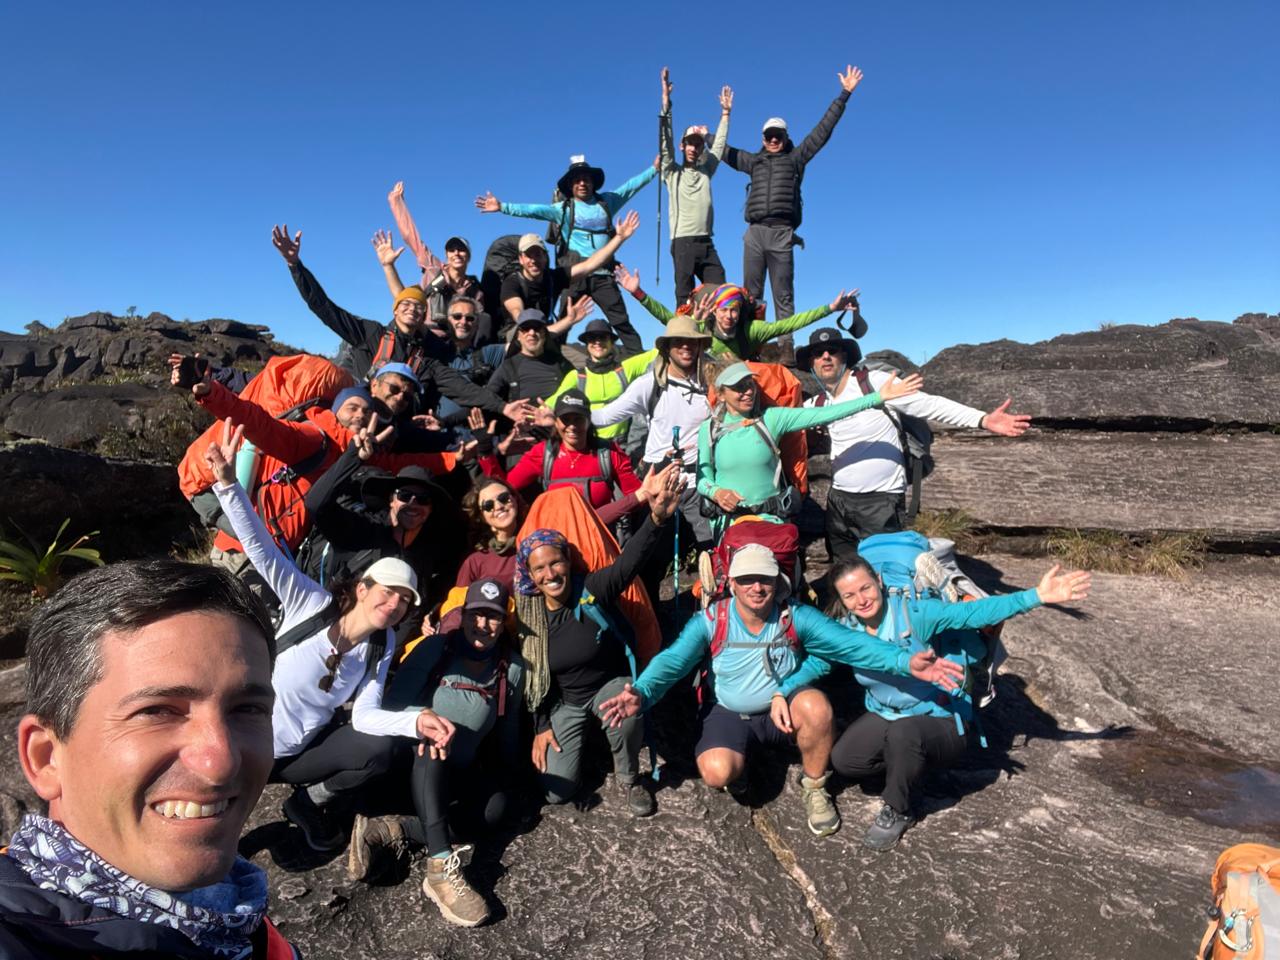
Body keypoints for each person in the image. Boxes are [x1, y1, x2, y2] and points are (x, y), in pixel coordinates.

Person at [6, 559, 301, 958]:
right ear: (46, 757)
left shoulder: (237, 916)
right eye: (157, 711)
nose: (220, 762)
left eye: (247, 709)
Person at [206, 418, 456, 853]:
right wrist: (229, 486)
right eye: (388, 593)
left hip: (292, 758)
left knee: (377, 752)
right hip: (242, 743)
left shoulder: (384, 643)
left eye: (404, 601)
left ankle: (306, 803)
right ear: (362, 589)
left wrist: (415, 720)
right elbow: (263, 550)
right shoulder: (311, 603)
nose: (394, 605)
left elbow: (365, 716)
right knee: (214, 829)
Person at [598, 544, 965, 837]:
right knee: (715, 773)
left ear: (778, 582)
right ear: (732, 584)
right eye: (747, 580)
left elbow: (853, 644)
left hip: (784, 711)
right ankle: (740, 769)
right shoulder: (713, 621)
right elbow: (673, 661)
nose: (757, 587)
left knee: (817, 707)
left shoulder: (797, 617)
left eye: (765, 580)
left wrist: (904, 661)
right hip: (731, 712)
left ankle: (815, 786)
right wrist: (643, 691)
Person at [804, 557, 1091, 849]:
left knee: (905, 735)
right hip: (887, 714)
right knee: (846, 761)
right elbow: (818, 663)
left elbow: (974, 613)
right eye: (849, 595)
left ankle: (900, 809)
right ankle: (909, 769)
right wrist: (780, 691)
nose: (861, 600)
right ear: (841, 599)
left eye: (865, 588)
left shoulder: (915, 613)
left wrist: (1036, 596)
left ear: (878, 580)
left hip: (939, 717)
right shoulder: (847, 630)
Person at [349, 578, 525, 927]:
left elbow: (508, 731)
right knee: (431, 747)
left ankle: (395, 830)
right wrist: (423, 724)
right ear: (462, 616)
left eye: (493, 617)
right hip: (410, 765)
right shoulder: (435, 650)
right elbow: (392, 709)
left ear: (503, 622)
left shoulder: (511, 668)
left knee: (496, 811)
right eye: (476, 615)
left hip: (457, 773)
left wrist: (516, 778)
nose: (483, 625)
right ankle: (440, 869)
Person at [518, 463, 684, 817]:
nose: (550, 573)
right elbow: (533, 679)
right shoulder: (527, 618)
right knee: (555, 795)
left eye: (556, 563)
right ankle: (586, 750)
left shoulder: (591, 590)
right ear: (530, 577)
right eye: (540, 569)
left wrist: (655, 520)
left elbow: (628, 565)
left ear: (568, 561)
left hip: (609, 686)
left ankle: (630, 778)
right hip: (567, 702)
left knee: (623, 709)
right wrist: (541, 727)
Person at [798, 327, 1031, 560]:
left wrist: (982, 419)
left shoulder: (874, 382)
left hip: (881, 500)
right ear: (812, 363)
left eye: (832, 350)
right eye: (818, 353)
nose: (825, 357)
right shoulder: (819, 403)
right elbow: (784, 421)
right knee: (844, 571)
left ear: (844, 355)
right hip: (838, 501)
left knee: (886, 570)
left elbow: (930, 405)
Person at [270, 224, 530, 426]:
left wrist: (503, 407)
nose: (412, 309)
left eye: (419, 307)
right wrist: (295, 265)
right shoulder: (371, 334)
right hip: (354, 420)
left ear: (424, 316)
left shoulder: (427, 356)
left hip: (398, 426)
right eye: (405, 305)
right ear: (395, 311)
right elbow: (324, 308)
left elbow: (461, 387)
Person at [697, 361, 922, 535]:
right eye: (738, 387)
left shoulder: (772, 419)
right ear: (720, 394)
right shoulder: (709, 429)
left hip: (772, 523)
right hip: (728, 526)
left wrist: (876, 398)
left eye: (749, 384)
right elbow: (702, 478)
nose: (747, 392)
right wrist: (716, 492)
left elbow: (826, 413)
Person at [589, 313, 718, 598]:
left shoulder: (710, 384)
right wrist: (559, 416)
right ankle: (651, 626)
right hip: (657, 486)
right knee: (648, 563)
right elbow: (604, 417)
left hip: (700, 485)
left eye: (692, 342)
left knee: (711, 562)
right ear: (667, 347)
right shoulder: (650, 385)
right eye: (679, 342)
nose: (686, 347)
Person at [722, 65, 864, 323]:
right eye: (769, 136)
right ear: (763, 138)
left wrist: (844, 94)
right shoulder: (753, 162)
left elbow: (822, 131)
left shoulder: (796, 158)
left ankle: (786, 351)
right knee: (750, 296)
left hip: (782, 234)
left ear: (786, 137)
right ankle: (752, 349)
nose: (773, 140)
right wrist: (705, 135)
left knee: (783, 295)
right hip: (754, 233)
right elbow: (725, 151)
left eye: (778, 136)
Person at [476, 156, 658, 356]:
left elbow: (630, 187)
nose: (582, 183)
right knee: (563, 323)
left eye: (586, 179)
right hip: (572, 277)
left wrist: (654, 169)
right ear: (571, 185)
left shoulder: (607, 202)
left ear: (593, 182)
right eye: (577, 180)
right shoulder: (562, 210)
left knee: (621, 322)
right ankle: (550, 364)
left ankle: (641, 364)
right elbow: (534, 210)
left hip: (603, 275)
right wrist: (502, 207)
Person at [301, 417, 463, 618]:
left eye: (422, 499)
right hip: (322, 623)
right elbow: (316, 504)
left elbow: (411, 615)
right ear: (391, 500)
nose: (412, 503)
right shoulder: (362, 531)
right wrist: (353, 456)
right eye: (404, 496)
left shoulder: (425, 558)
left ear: (430, 510)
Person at [617, 269, 864, 363]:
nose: (730, 315)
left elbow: (790, 323)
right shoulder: (701, 325)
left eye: (734, 310)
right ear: (715, 310)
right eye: (724, 309)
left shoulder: (751, 330)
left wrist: (829, 309)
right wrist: (638, 292)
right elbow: (667, 318)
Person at [488, 390, 644, 524]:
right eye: (565, 419)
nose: (572, 426)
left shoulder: (608, 452)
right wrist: (486, 452)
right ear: (556, 422)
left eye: (578, 419)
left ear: (589, 421)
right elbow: (503, 486)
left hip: (601, 539)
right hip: (558, 545)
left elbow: (637, 495)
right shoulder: (543, 453)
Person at [659, 67, 733, 304]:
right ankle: (683, 339)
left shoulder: (706, 169)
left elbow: (719, 146)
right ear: (682, 146)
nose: (693, 148)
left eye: (697, 144)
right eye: (689, 144)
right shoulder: (671, 172)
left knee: (722, 293)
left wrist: (725, 114)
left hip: (707, 241)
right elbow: (665, 144)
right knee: (685, 298)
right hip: (682, 242)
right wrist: (666, 104)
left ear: (702, 148)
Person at [497, 213, 641, 333]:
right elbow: (519, 315)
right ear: (521, 259)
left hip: (547, 334)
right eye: (529, 255)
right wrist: (569, 321)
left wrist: (619, 238)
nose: (534, 260)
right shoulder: (512, 283)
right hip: (519, 335)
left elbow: (590, 265)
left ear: (545, 257)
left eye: (538, 255)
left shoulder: (554, 278)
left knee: (577, 364)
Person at [545, 318, 658, 444]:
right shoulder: (576, 376)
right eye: (592, 338)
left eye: (603, 337)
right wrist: (536, 413)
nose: (597, 342)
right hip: (589, 445)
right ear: (587, 344)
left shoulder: (625, 369)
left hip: (622, 446)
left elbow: (658, 351)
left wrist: (680, 318)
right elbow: (555, 400)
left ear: (612, 342)